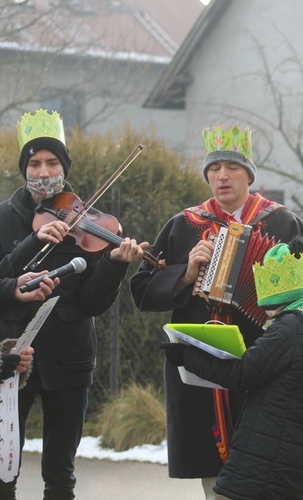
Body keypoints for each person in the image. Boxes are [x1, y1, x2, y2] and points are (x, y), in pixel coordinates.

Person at [129, 125, 303, 499]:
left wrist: (282, 294)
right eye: (214, 168)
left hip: (263, 362)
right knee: (215, 478)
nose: (222, 175)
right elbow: (141, 290)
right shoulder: (182, 225)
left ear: (249, 175)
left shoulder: (281, 222)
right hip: (201, 365)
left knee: (266, 462)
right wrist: (186, 274)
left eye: (232, 167)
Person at [0, 109, 147, 499]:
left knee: (61, 475)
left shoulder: (87, 220)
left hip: (71, 358)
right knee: (3, 469)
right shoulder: (3, 217)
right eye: (34, 163)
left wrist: (114, 265)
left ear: (64, 167)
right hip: (12, 357)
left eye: (52, 162)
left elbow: (92, 303)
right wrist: (33, 242)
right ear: (24, 168)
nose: (44, 172)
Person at [159, 236, 303, 500]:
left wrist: (186, 356)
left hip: (264, 454)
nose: (268, 317)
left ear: (279, 301)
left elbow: (242, 374)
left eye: (269, 310)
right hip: (299, 455)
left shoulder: (290, 328)